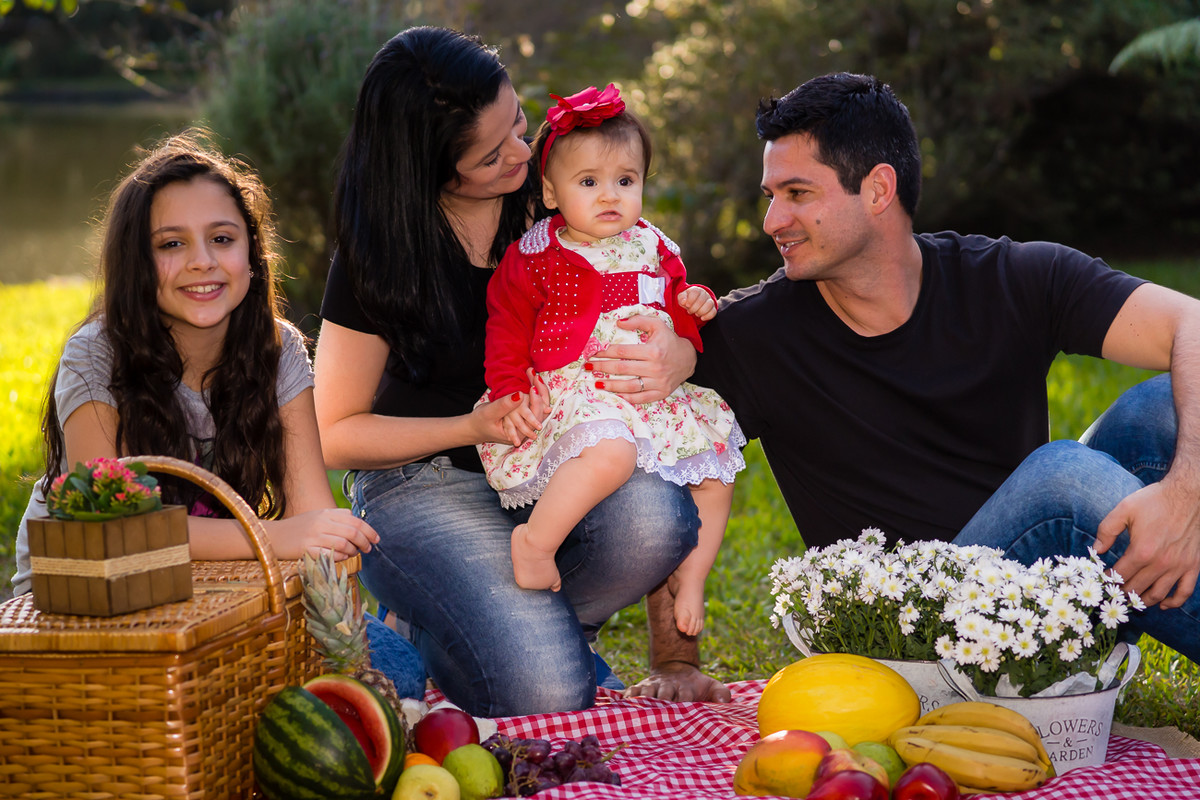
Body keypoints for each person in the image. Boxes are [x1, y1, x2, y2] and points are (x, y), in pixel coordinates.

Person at [690, 71, 1200, 663]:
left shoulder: (1011, 278)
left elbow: (1192, 324)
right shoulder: (753, 332)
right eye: (770, 195)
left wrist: (1185, 494)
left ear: (879, 190)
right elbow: (669, 453)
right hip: (912, 633)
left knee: (1164, 403)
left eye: (797, 194)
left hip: (1041, 606)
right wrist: (677, 659)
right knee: (1062, 477)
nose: (771, 221)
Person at [313, 27, 731, 716]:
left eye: (518, 124)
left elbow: (662, 387)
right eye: (490, 153)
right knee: (549, 691)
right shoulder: (379, 257)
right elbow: (335, 432)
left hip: (554, 466)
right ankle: (446, 622)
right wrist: (473, 424)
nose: (521, 152)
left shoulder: (563, 203)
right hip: (422, 485)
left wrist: (678, 352)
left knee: (658, 515)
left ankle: (506, 623)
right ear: (431, 168)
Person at [11, 127, 381, 599]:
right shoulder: (96, 353)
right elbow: (111, 530)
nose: (202, 261)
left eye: (222, 238)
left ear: (251, 251)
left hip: (218, 596)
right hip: (87, 607)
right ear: (136, 261)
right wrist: (271, 536)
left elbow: (310, 518)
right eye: (171, 244)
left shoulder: (277, 349)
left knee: (398, 667)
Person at [478, 84, 744, 636]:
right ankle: (536, 541)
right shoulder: (537, 253)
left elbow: (674, 304)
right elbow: (506, 324)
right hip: (580, 389)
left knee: (717, 470)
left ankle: (692, 577)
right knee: (611, 454)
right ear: (551, 193)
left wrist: (693, 308)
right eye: (589, 182)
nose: (610, 196)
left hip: (650, 393)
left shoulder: (653, 243)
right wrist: (508, 388)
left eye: (626, 181)